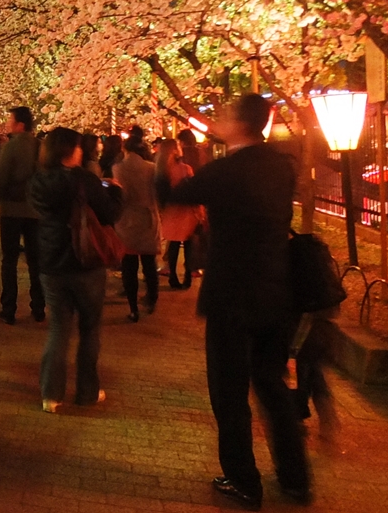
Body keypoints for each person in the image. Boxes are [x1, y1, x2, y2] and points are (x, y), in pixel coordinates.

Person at [168, 94, 310, 509]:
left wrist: (168, 162)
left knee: (229, 391)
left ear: (241, 124)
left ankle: (243, 478)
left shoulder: (226, 170)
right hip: (276, 291)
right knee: (272, 384)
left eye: (226, 115)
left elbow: (179, 191)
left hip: (231, 295)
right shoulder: (281, 166)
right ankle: (295, 477)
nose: (220, 120)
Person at [29, 128, 123, 412]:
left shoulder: (39, 181)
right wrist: (116, 191)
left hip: (50, 262)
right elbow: (110, 214)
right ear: (70, 150)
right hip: (85, 262)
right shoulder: (84, 180)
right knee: (89, 328)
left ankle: (51, 395)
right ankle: (87, 391)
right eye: (79, 147)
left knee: (58, 329)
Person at [0, 106, 44, 325]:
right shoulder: (40, 146)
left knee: (9, 260)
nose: (8, 123)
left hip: (11, 209)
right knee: (35, 260)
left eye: (11, 120)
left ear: (20, 124)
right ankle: (38, 306)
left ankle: (9, 308)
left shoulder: (10, 147)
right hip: (35, 210)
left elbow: (1, 177)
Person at [114, 129, 161, 322]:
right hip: (148, 218)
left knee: (129, 265)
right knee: (149, 263)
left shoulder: (118, 169)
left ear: (125, 149)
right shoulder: (151, 168)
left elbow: (118, 196)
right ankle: (152, 298)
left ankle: (133, 308)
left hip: (127, 219)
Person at [155, 138, 202, 290]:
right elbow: (194, 190)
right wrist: (200, 212)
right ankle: (187, 276)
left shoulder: (161, 171)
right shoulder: (185, 169)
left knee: (174, 244)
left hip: (170, 211)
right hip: (186, 210)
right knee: (188, 244)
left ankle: (173, 276)